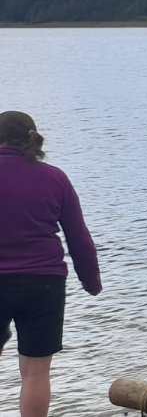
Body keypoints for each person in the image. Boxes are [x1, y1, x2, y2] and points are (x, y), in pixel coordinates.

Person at [0, 111, 102, 417]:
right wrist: (91, 281)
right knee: (36, 372)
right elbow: (79, 237)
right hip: (43, 283)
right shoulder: (55, 177)